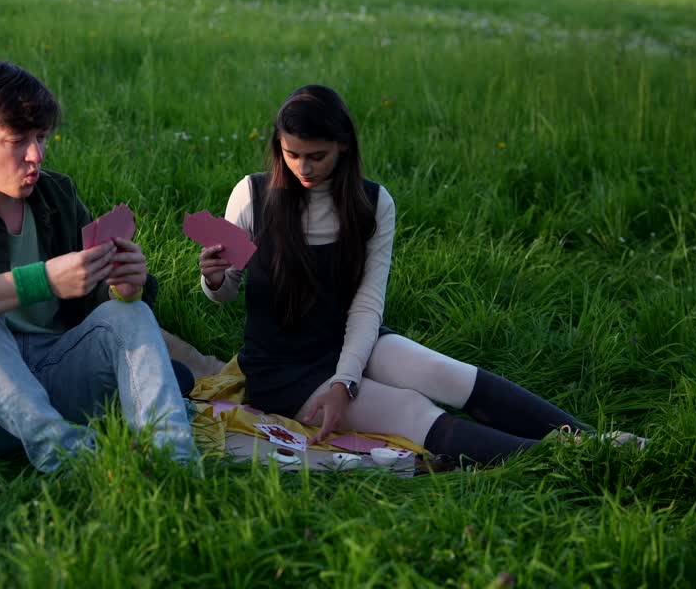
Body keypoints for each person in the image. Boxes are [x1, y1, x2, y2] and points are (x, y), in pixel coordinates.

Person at [197, 84, 633, 465]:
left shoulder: (372, 203)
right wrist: (214, 279)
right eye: (292, 154)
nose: (303, 168)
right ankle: (569, 457)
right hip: (283, 369)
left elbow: (367, 305)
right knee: (409, 409)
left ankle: (594, 440)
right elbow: (226, 293)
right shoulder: (252, 194)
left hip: (351, 339)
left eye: (317, 156)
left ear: (343, 146)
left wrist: (345, 380)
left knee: (446, 373)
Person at [0, 60, 196, 473]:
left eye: (41, 137)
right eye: (17, 141)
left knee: (132, 313)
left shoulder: (57, 193)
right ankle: (69, 455)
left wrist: (123, 286)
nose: (35, 155)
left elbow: (96, 299)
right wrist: (43, 280)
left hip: (55, 374)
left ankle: (173, 460)